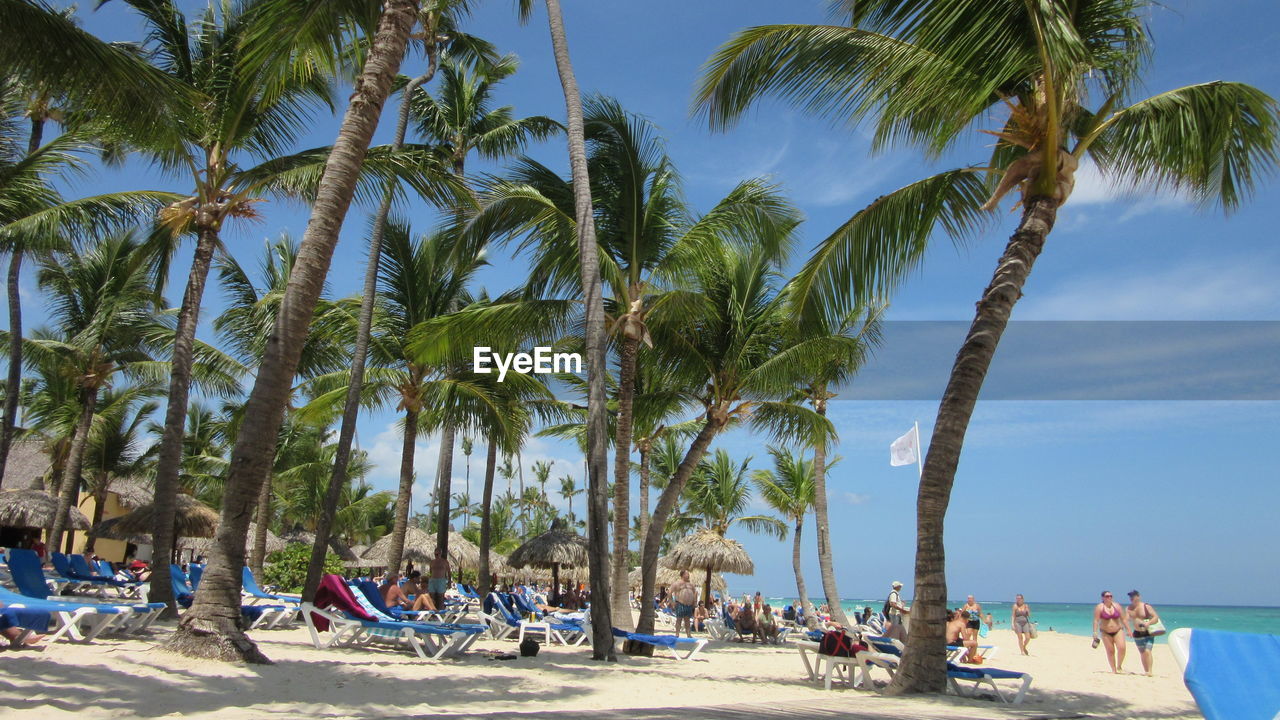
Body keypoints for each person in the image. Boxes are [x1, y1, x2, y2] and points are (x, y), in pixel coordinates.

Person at [1093, 590, 1131, 673]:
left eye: (1111, 596)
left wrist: (1129, 630)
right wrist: (1095, 633)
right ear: (1103, 598)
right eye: (1107, 596)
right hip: (1105, 632)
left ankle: (1119, 666)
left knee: (1122, 648)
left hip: (1118, 630)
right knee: (1110, 651)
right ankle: (1114, 669)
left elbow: (1123, 619)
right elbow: (1096, 620)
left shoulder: (1116, 606)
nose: (1109, 598)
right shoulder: (1100, 607)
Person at [1126, 590, 1161, 676]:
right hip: (1137, 633)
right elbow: (1126, 620)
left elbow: (1155, 617)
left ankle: (1150, 671)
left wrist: (1148, 623)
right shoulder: (1128, 608)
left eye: (1133, 596)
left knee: (1147, 651)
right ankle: (1146, 671)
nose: (1131, 598)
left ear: (1138, 596)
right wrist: (1128, 630)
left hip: (1148, 632)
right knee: (1142, 652)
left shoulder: (1146, 606)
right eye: (1130, 597)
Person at [668, 570, 698, 637]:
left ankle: (688, 634)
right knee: (679, 619)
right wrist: (672, 602)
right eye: (687, 574)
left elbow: (695, 593)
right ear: (682, 575)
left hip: (689, 605)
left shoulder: (691, 584)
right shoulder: (677, 583)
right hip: (680, 603)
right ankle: (677, 634)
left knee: (687, 620)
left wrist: (694, 602)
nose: (688, 575)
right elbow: (669, 592)